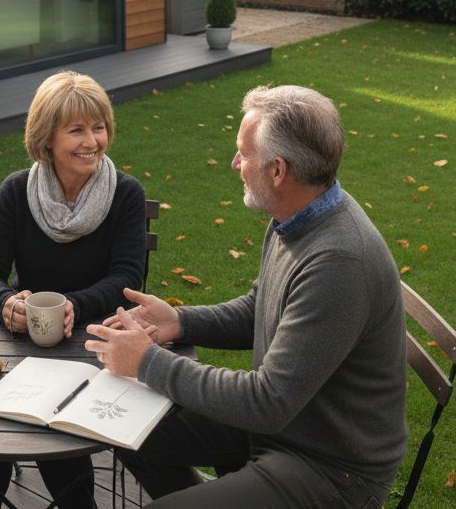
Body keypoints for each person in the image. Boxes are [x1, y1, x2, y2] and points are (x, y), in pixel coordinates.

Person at [85, 84, 407, 508]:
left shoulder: (339, 262)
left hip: (328, 466)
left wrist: (147, 362)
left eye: (243, 153)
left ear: (278, 171)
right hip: (286, 426)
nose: (234, 163)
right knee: (128, 428)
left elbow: (267, 401)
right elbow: (261, 307)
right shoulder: (298, 216)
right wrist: (180, 322)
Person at [0, 70, 148, 509]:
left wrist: (75, 306)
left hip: (95, 345)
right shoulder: (17, 191)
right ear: (47, 137)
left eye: (98, 127)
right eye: (76, 130)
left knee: (59, 440)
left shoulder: (125, 194)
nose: (92, 141)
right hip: (23, 345)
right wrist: (5, 303)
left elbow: (128, 279)